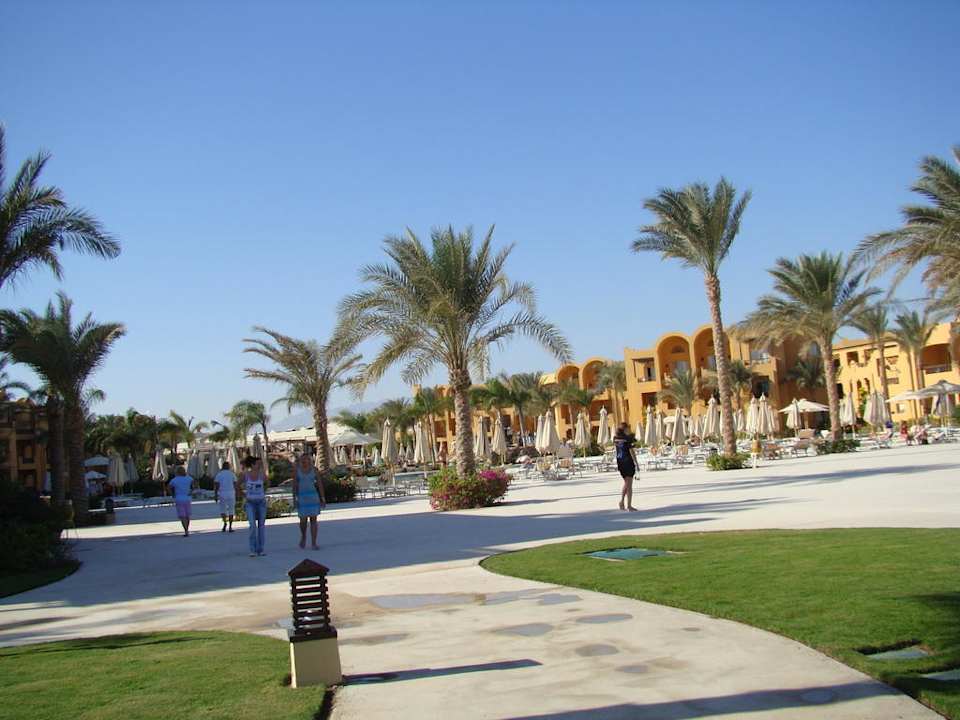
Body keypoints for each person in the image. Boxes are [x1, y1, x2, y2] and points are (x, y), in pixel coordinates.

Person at [292, 454, 326, 549]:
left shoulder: (314, 470)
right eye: (302, 460)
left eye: (306, 460)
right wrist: (294, 498)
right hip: (302, 498)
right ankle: (303, 536)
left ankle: (314, 542)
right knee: (303, 521)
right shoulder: (297, 471)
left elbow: (319, 485)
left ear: (310, 460)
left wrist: (322, 498)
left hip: (313, 497)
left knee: (313, 520)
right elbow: (294, 485)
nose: (304, 462)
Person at [240, 456, 268, 557]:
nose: (260, 465)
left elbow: (267, 483)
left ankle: (260, 549)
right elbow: (237, 485)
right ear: (252, 465)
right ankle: (252, 549)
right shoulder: (245, 475)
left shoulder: (262, 475)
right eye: (258, 463)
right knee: (252, 525)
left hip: (261, 502)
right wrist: (244, 495)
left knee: (261, 526)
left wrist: (263, 493)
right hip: (250, 503)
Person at [613, 423, 638, 512]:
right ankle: (629, 505)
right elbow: (632, 452)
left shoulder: (615, 439)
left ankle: (622, 502)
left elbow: (617, 451)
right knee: (629, 484)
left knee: (627, 483)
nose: (629, 430)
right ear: (624, 429)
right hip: (628, 461)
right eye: (628, 429)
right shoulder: (628, 439)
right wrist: (636, 463)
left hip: (620, 462)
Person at [167, 466, 195, 537]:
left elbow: (169, 487)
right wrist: (191, 491)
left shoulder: (174, 480)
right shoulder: (189, 478)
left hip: (179, 498)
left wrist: (172, 494)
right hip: (187, 498)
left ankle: (186, 530)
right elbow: (194, 485)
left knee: (182, 516)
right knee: (187, 515)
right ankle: (187, 528)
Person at [214, 461, 237, 532]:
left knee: (222, 509)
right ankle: (230, 526)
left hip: (222, 493)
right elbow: (235, 483)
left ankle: (225, 523)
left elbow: (216, 485)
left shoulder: (219, 474)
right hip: (231, 493)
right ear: (229, 467)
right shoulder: (232, 474)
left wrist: (215, 495)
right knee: (231, 510)